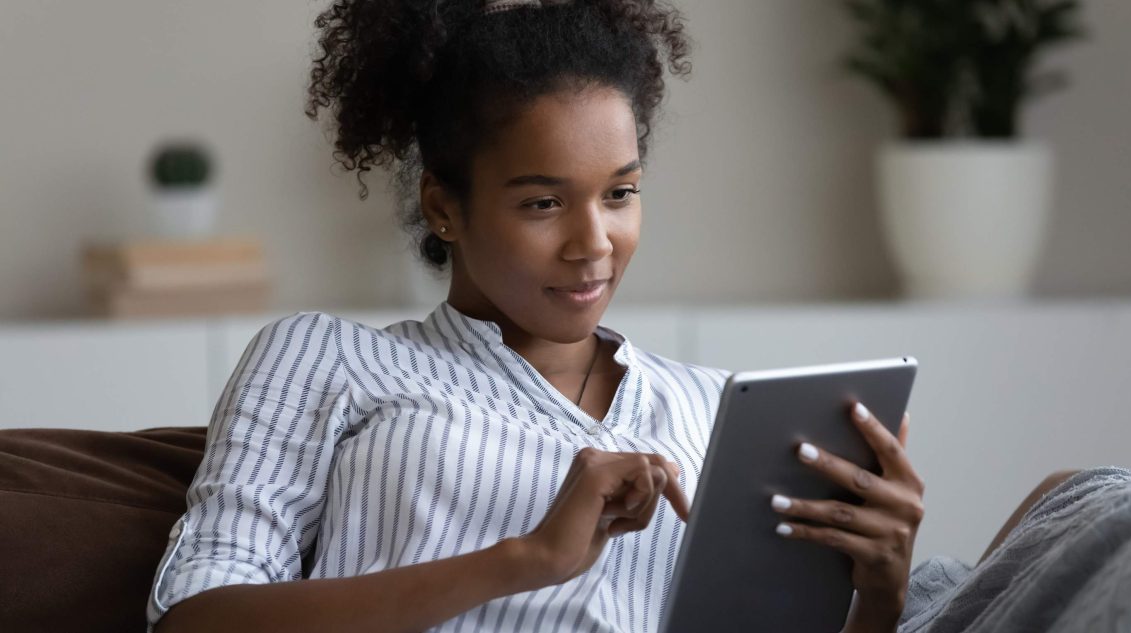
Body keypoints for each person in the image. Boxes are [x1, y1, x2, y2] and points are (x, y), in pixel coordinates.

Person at [147, 1, 927, 631]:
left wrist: (879, 598)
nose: (594, 244)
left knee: (1050, 520)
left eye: (619, 193)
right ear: (443, 208)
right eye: (543, 202)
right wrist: (524, 558)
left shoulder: (717, 407)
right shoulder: (327, 359)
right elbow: (194, 617)